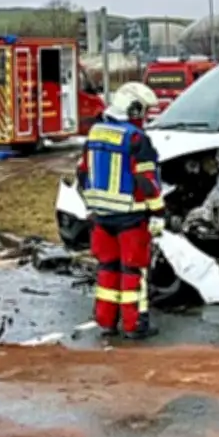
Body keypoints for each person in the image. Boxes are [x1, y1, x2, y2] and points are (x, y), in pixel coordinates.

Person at [79, 82, 164, 340]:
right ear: (134, 108)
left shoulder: (95, 133)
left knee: (107, 269)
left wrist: (92, 205)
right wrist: (158, 214)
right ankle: (134, 324)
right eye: (144, 111)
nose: (145, 117)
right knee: (133, 271)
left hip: (101, 217)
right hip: (132, 217)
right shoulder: (136, 139)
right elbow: (147, 182)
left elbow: (83, 173)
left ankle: (106, 321)